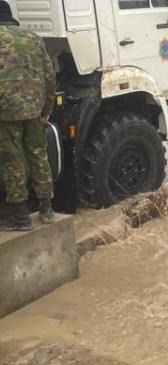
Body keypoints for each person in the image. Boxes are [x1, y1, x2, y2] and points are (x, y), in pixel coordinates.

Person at [0, 0, 56, 231]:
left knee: (13, 162)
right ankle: (46, 209)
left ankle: (21, 218)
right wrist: (46, 109)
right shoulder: (33, 38)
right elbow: (49, 76)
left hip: (5, 112)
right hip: (34, 109)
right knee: (38, 155)